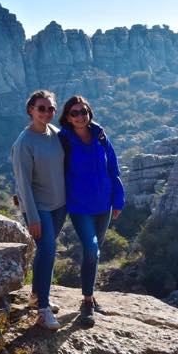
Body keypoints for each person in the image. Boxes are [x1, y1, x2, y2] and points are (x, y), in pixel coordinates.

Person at [58, 95, 124, 327]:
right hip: (79, 206)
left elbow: (112, 168)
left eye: (83, 111)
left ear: (89, 113)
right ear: (67, 117)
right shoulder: (63, 139)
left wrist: (118, 199)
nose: (80, 116)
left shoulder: (100, 136)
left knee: (94, 251)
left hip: (103, 204)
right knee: (92, 248)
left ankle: (91, 295)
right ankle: (87, 302)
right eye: (74, 113)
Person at [10, 90, 67, 331]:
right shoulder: (24, 143)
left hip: (59, 205)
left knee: (45, 252)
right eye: (41, 108)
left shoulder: (55, 134)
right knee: (48, 249)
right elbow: (23, 184)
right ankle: (43, 310)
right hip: (38, 207)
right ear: (30, 110)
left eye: (51, 108)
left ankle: (36, 295)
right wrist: (32, 217)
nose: (47, 113)